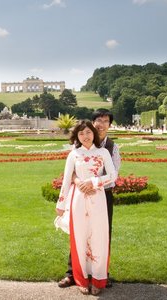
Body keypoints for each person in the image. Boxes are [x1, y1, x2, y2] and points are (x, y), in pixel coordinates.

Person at [58, 109, 121, 289]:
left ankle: (101, 275)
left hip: (103, 195)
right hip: (80, 193)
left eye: (105, 121)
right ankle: (73, 274)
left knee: (102, 234)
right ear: (93, 124)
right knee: (79, 232)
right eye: (98, 120)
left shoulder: (111, 148)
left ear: (109, 125)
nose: (101, 124)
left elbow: (113, 174)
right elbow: (70, 174)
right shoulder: (76, 148)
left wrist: (93, 183)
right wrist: (79, 182)